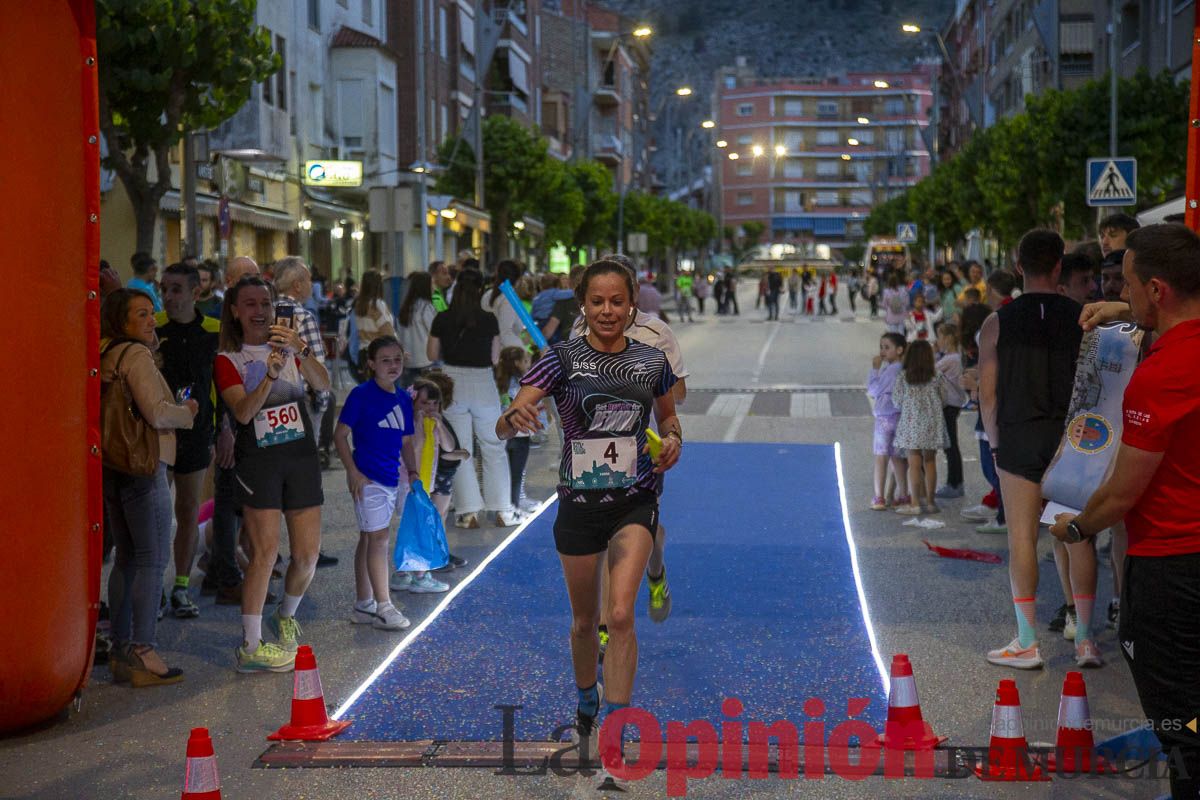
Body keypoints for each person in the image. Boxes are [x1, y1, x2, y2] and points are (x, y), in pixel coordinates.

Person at [497, 259, 682, 775]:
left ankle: (615, 727)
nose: (607, 311)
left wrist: (673, 441)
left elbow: (669, 416)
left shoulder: (651, 360)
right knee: (584, 622)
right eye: (597, 301)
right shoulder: (559, 359)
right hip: (578, 507)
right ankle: (586, 701)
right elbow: (504, 421)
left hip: (635, 499)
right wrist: (516, 416)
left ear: (631, 305)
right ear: (583, 304)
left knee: (619, 615)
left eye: (616, 302)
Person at [1053, 223, 1200, 797]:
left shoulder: (1159, 378)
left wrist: (1077, 526)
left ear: (1158, 289)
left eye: (1130, 283)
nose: (1124, 293)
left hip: (1171, 568)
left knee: (1179, 719)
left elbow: (1122, 493)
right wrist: (1127, 306)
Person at [980, 229, 1097, 670]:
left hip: (1019, 438)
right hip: (1073, 440)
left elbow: (988, 396)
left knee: (1022, 540)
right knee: (1077, 537)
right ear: (1057, 267)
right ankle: (1085, 640)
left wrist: (995, 445)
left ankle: (1027, 643)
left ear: (1017, 268)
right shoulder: (1084, 317)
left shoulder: (998, 323)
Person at [215, 275, 331, 672]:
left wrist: (299, 350)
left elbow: (324, 383)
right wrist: (269, 373)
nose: (260, 311)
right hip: (259, 461)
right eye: (249, 304)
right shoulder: (229, 359)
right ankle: (250, 645)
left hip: (299, 455)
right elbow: (244, 413)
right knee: (264, 554)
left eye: (265, 303)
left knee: (307, 555)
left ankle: (286, 615)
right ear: (234, 311)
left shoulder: (289, 347)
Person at [100, 288, 199, 686]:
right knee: (152, 558)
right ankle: (144, 648)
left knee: (126, 557)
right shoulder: (135, 355)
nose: (151, 320)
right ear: (121, 322)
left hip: (115, 464)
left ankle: (122, 647)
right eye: (140, 315)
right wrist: (187, 412)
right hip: (144, 464)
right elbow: (157, 413)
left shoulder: (107, 354)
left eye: (150, 313)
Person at [333, 335, 423, 630]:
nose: (393, 365)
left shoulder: (402, 399)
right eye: (385, 360)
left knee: (369, 537)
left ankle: (363, 604)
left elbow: (405, 440)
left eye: (397, 359)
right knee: (380, 539)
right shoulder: (361, 395)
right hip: (368, 479)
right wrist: (353, 472)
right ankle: (384, 605)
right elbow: (340, 434)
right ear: (371, 364)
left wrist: (412, 472)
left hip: (392, 478)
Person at [428, 268, 522, 528]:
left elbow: (431, 352)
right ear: (480, 290)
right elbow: (494, 358)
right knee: (493, 446)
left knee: (461, 448)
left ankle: (468, 512)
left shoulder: (443, 318)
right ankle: (502, 509)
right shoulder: (489, 319)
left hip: (452, 382)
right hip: (483, 382)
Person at [156, 263, 220, 619]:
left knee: (187, 511)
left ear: (197, 293)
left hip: (196, 434)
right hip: (158, 434)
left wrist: (222, 430)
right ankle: (155, 590)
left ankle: (180, 586)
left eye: (177, 289)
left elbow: (222, 385)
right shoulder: (154, 330)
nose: (168, 296)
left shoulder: (213, 330)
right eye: (165, 288)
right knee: (156, 515)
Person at [410, 374, 469, 574]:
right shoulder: (413, 423)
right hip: (418, 479)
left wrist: (439, 425)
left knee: (438, 516)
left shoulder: (437, 422)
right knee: (425, 520)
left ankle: (436, 556)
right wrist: (460, 454)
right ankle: (420, 567)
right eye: (425, 403)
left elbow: (448, 445)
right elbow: (417, 446)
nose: (430, 408)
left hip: (434, 477)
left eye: (435, 403)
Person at [892, 340, 950, 515]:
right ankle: (931, 502)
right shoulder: (937, 376)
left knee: (914, 465)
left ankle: (915, 503)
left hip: (911, 426)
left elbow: (896, 401)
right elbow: (944, 399)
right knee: (930, 462)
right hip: (932, 425)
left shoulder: (903, 377)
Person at [867, 333, 910, 510]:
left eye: (887, 347)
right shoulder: (903, 369)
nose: (882, 351)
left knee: (881, 456)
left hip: (885, 417)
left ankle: (879, 497)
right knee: (897, 457)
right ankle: (903, 494)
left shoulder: (892, 369)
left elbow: (874, 390)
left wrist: (874, 370)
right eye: (881, 347)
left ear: (899, 350)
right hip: (899, 416)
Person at [496, 346, 536, 513]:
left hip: (503, 434)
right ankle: (515, 507)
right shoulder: (524, 385)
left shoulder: (498, 383)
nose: (529, 364)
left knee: (504, 474)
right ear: (517, 363)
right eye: (526, 361)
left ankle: (508, 505)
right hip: (520, 435)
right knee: (517, 474)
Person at [933, 323, 966, 500]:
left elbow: (932, 370)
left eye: (939, 336)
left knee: (950, 445)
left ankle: (954, 484)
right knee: (950, 445)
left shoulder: (950, 359)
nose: (938, 340)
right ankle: (954, 483)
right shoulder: (954, 356)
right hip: (953, 404)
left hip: (949, 405)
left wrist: (933, 352)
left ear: (948, 338)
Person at [396, 271, 437, 387]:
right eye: (432, 284)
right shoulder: (426, 307)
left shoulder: (405, 307)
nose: (434, 287)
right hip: (425, 360)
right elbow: (434, 331)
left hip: (408, 360)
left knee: (410, 397)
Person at [483, 260, 528, 350]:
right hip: (506, 354)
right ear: (519, 279)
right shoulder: (508, 299)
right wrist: (521, 351)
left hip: (489, 348)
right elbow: (506, 332)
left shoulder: (487, 295)